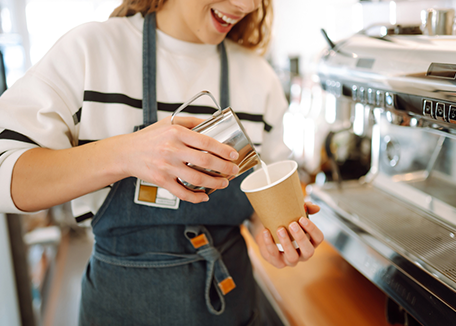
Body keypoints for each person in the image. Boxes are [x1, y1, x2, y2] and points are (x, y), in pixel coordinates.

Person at [0, 0, 324, 324]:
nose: (246, 5)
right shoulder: (90, 52)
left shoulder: (259, 78)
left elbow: (260, 194)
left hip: (234, 309)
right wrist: (124, 154)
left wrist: (270, 233)